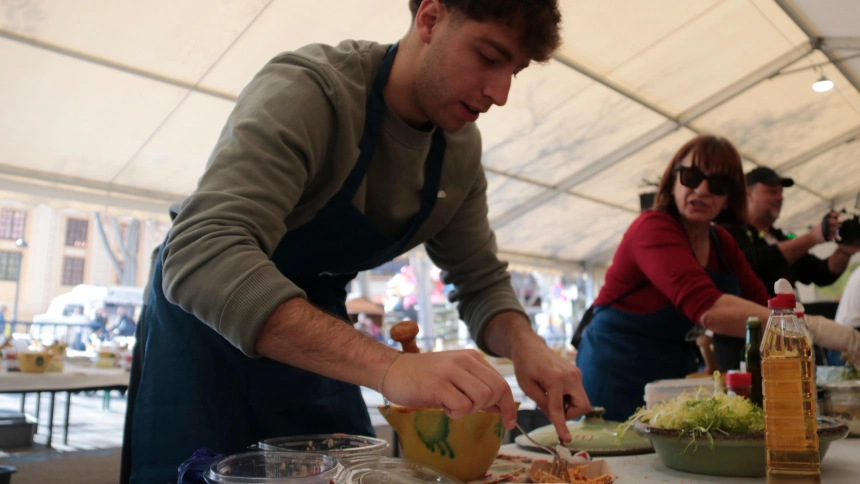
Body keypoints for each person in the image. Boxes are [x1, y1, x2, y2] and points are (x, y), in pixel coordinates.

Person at [121, 2, 590, 482]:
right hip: (204, 340)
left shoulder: (460, 151)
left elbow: (479, 281)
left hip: (316, 333)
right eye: (489, 56)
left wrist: (525, 344)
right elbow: (203, 254)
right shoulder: (311, 91)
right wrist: (393, 369)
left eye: (515, 70)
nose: (501, 93)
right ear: (429, 18)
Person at [574, 135, 860, 422]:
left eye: (718, 184)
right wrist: (813, 328)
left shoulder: (722, 243)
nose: (701, 190)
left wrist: (793, 329)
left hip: (671, 375)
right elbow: (710, 311)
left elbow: (763, 304)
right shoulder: (651, 228)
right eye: (691, 176)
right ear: (672, 179)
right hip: (614, 371)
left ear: (729, 197)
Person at [722, 166, 860, 297]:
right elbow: (754, 262)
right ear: (748, 194)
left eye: (781, 192)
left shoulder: (780, 237)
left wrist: (844, 251)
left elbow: (821, 273)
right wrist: (813, 237)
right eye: (772, 191)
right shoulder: (730, 231)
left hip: (788, 319)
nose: (780, 197)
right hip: (756, 320)